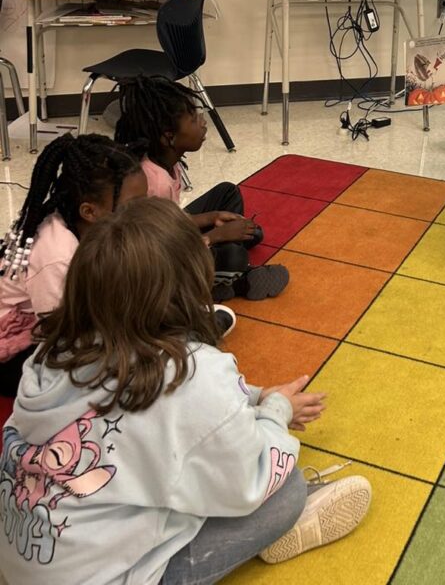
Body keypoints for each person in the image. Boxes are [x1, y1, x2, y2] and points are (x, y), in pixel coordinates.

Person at [0, 197, 372, 584]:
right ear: (192, 283)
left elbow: (157, 420)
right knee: (286, 492)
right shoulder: (190, 373)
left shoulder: (52, 352)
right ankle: (289, 522)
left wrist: (256, 396)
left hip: (20, 558)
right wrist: (275, 411)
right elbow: (249, 477)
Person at [115, 75, 288, 303]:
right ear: (170, 137)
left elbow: (172, 222)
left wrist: (212, 217)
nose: (203, 122)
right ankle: (236, 279)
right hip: (157, 260)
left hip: (168, 235)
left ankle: (229, 253)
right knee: (234, 255)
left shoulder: (167, 160)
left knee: (228, 192)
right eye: (194, 119)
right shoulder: (152, 182)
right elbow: (158, 251)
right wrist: (214, 237)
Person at [0, 134, 147, 397]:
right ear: (89, 212)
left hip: (52, 322)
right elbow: (62, 341)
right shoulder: (57, 256)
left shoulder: (90, 229)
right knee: (93, 373)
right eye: (133, 207)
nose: (144, 214)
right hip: (15, 343)